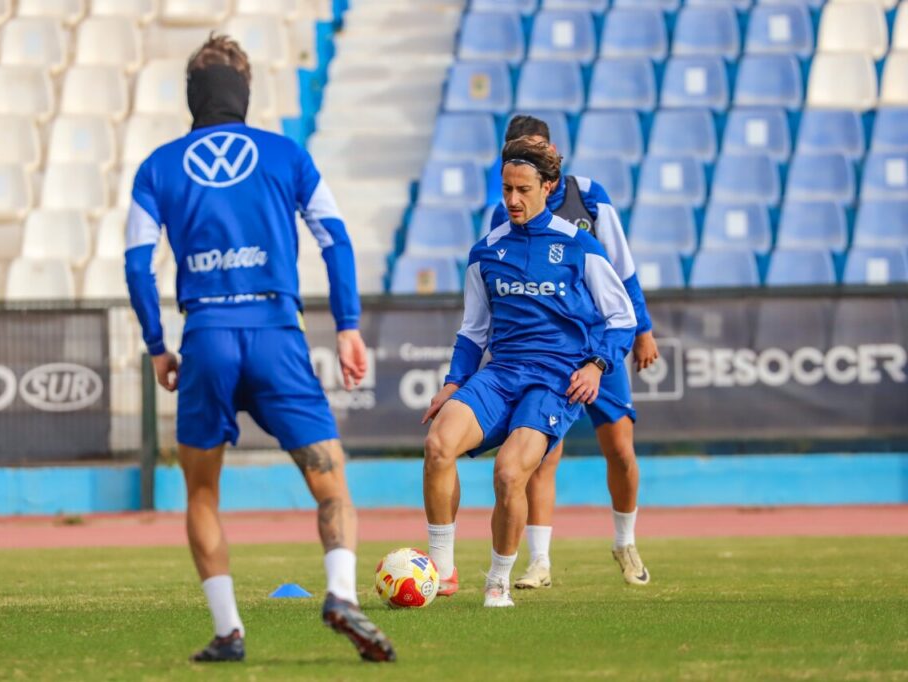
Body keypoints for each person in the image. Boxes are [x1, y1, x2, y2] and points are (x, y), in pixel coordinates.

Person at [124, 35, 395, 663]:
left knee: (201, 496)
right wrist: (348, 325)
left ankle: (228, 631)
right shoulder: (286, 155)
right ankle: (341, 595)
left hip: (207, 339)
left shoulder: (158, 167)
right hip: (277, 336)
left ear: (193, 95)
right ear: (245, 92)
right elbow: (336, 239)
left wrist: (158, 346)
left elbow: (138, 265)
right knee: (331, 486)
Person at [421, 137, 637, 607]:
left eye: (523, 189)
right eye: (506, 189)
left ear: (548, 186)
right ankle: (442, 568)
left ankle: (498, 582)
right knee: (438, 445)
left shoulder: (581, 247)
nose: (513, 200)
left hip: (554, 381)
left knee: (508, 473)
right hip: (501, 374)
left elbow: (623, 318)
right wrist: (452, 385)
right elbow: (473, 331)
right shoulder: (486, 252)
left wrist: (598, 364)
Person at [490, 115, 659, 589]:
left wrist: (642, 329)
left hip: (599, 342)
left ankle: (625, 541)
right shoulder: (505, 212)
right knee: (542, 456)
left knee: (620, 449)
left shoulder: (590, 197)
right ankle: (539, 561)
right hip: (548, 353)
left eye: (537, 150)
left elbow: (621, 269)